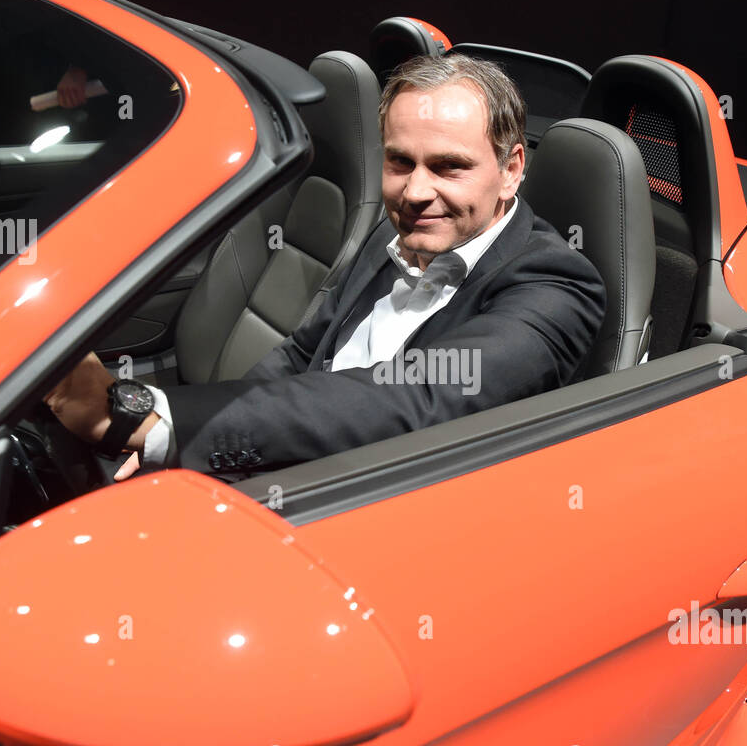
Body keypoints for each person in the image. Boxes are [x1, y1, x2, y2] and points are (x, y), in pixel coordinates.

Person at [46, 54, 606, 479]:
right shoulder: (403, 232)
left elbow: (415, 396)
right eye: (399, 162)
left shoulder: (556, 286)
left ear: (511, 170)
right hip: (290, 470)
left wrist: (160, 417)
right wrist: (199, 450)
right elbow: (301, 354)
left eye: (448, 167)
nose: (414, 191)